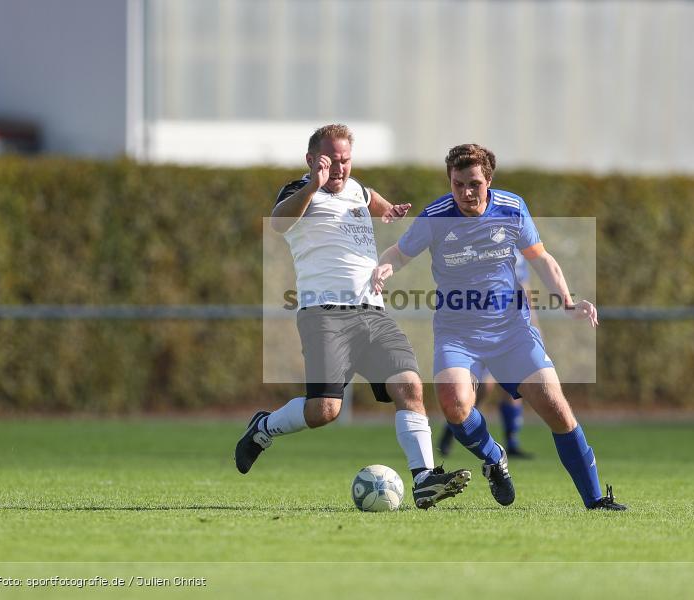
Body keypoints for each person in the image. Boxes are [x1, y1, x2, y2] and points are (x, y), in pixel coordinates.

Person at [373, 143, 626, 510]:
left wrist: (567, 301)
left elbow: (541, 259)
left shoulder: (512, 208)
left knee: (557, 409)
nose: (465, 193)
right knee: (453, 403)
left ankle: (595, 499)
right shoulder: (436, 216)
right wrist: (385, 267)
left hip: (512, 331)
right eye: (458, 184)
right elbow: (398, 252)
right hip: (457, 333)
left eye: (474, 184)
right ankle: (494, 458)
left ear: (488, 181)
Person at [235, 124, 470, 509]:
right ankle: (264, 427)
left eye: (345, 160)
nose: (339, 168)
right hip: (324, 315)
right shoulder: (298, 192)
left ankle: (424, 479)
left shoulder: (356, 189)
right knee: (325, 410)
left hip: (373, 311)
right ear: (311, 160)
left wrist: (387, 209)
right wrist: (314, 185)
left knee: (410, 386)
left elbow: (369, 196)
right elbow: (278, 223)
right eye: (330, 161)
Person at [438, 254, 534, 459]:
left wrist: (532, 325)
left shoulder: (519, 253)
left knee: (513, 386)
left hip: (511, 329)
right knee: (483, 387)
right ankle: (452, 428)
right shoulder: (485, 246)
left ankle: (512, 443)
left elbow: (524, 289)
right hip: (482, 326)